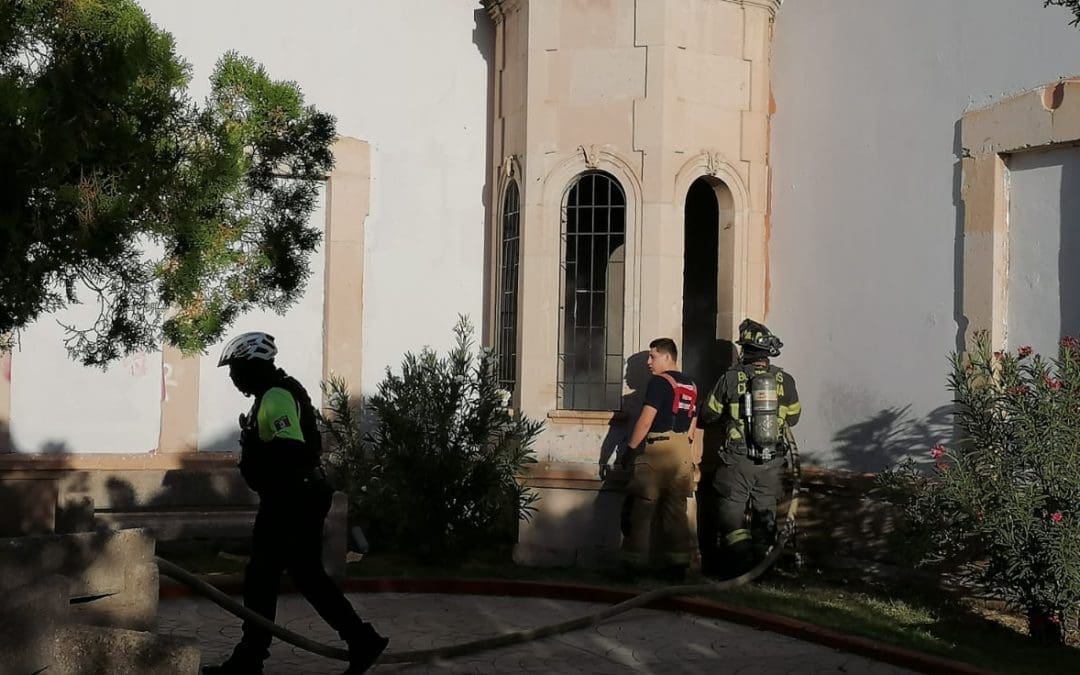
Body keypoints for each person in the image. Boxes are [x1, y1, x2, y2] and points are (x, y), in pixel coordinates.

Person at [203, 332, 388, 675]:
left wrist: (256, 455)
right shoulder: (275, 392)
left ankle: (251, 657)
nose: (232, 377)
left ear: (253, 367)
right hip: (295, 496)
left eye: (236, 370)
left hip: (292, 499)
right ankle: (361, 639)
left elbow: (292, 450)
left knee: (263, 576)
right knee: (297, 575)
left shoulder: (275, 397)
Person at [699, 319, 800, 579]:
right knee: (765, 513)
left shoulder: (731, 378)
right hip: (772, 462)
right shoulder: (785, 380)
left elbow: (709, 413)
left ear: (745, 349)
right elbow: (793, 417)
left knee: (731, 514)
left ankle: (740, 565)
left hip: (738, 460)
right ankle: (762, 569)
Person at [620, 338, 698, 580]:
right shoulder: (692, 385)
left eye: (653, 356)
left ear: (667, 357)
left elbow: (645, 420)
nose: (648, 362)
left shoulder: (658, 383)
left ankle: (633, 567)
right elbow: (693, 426)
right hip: (683, 450)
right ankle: (677, 568)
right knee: (676, 510)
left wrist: (631, 450)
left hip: (658, 450)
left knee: (642, 508)